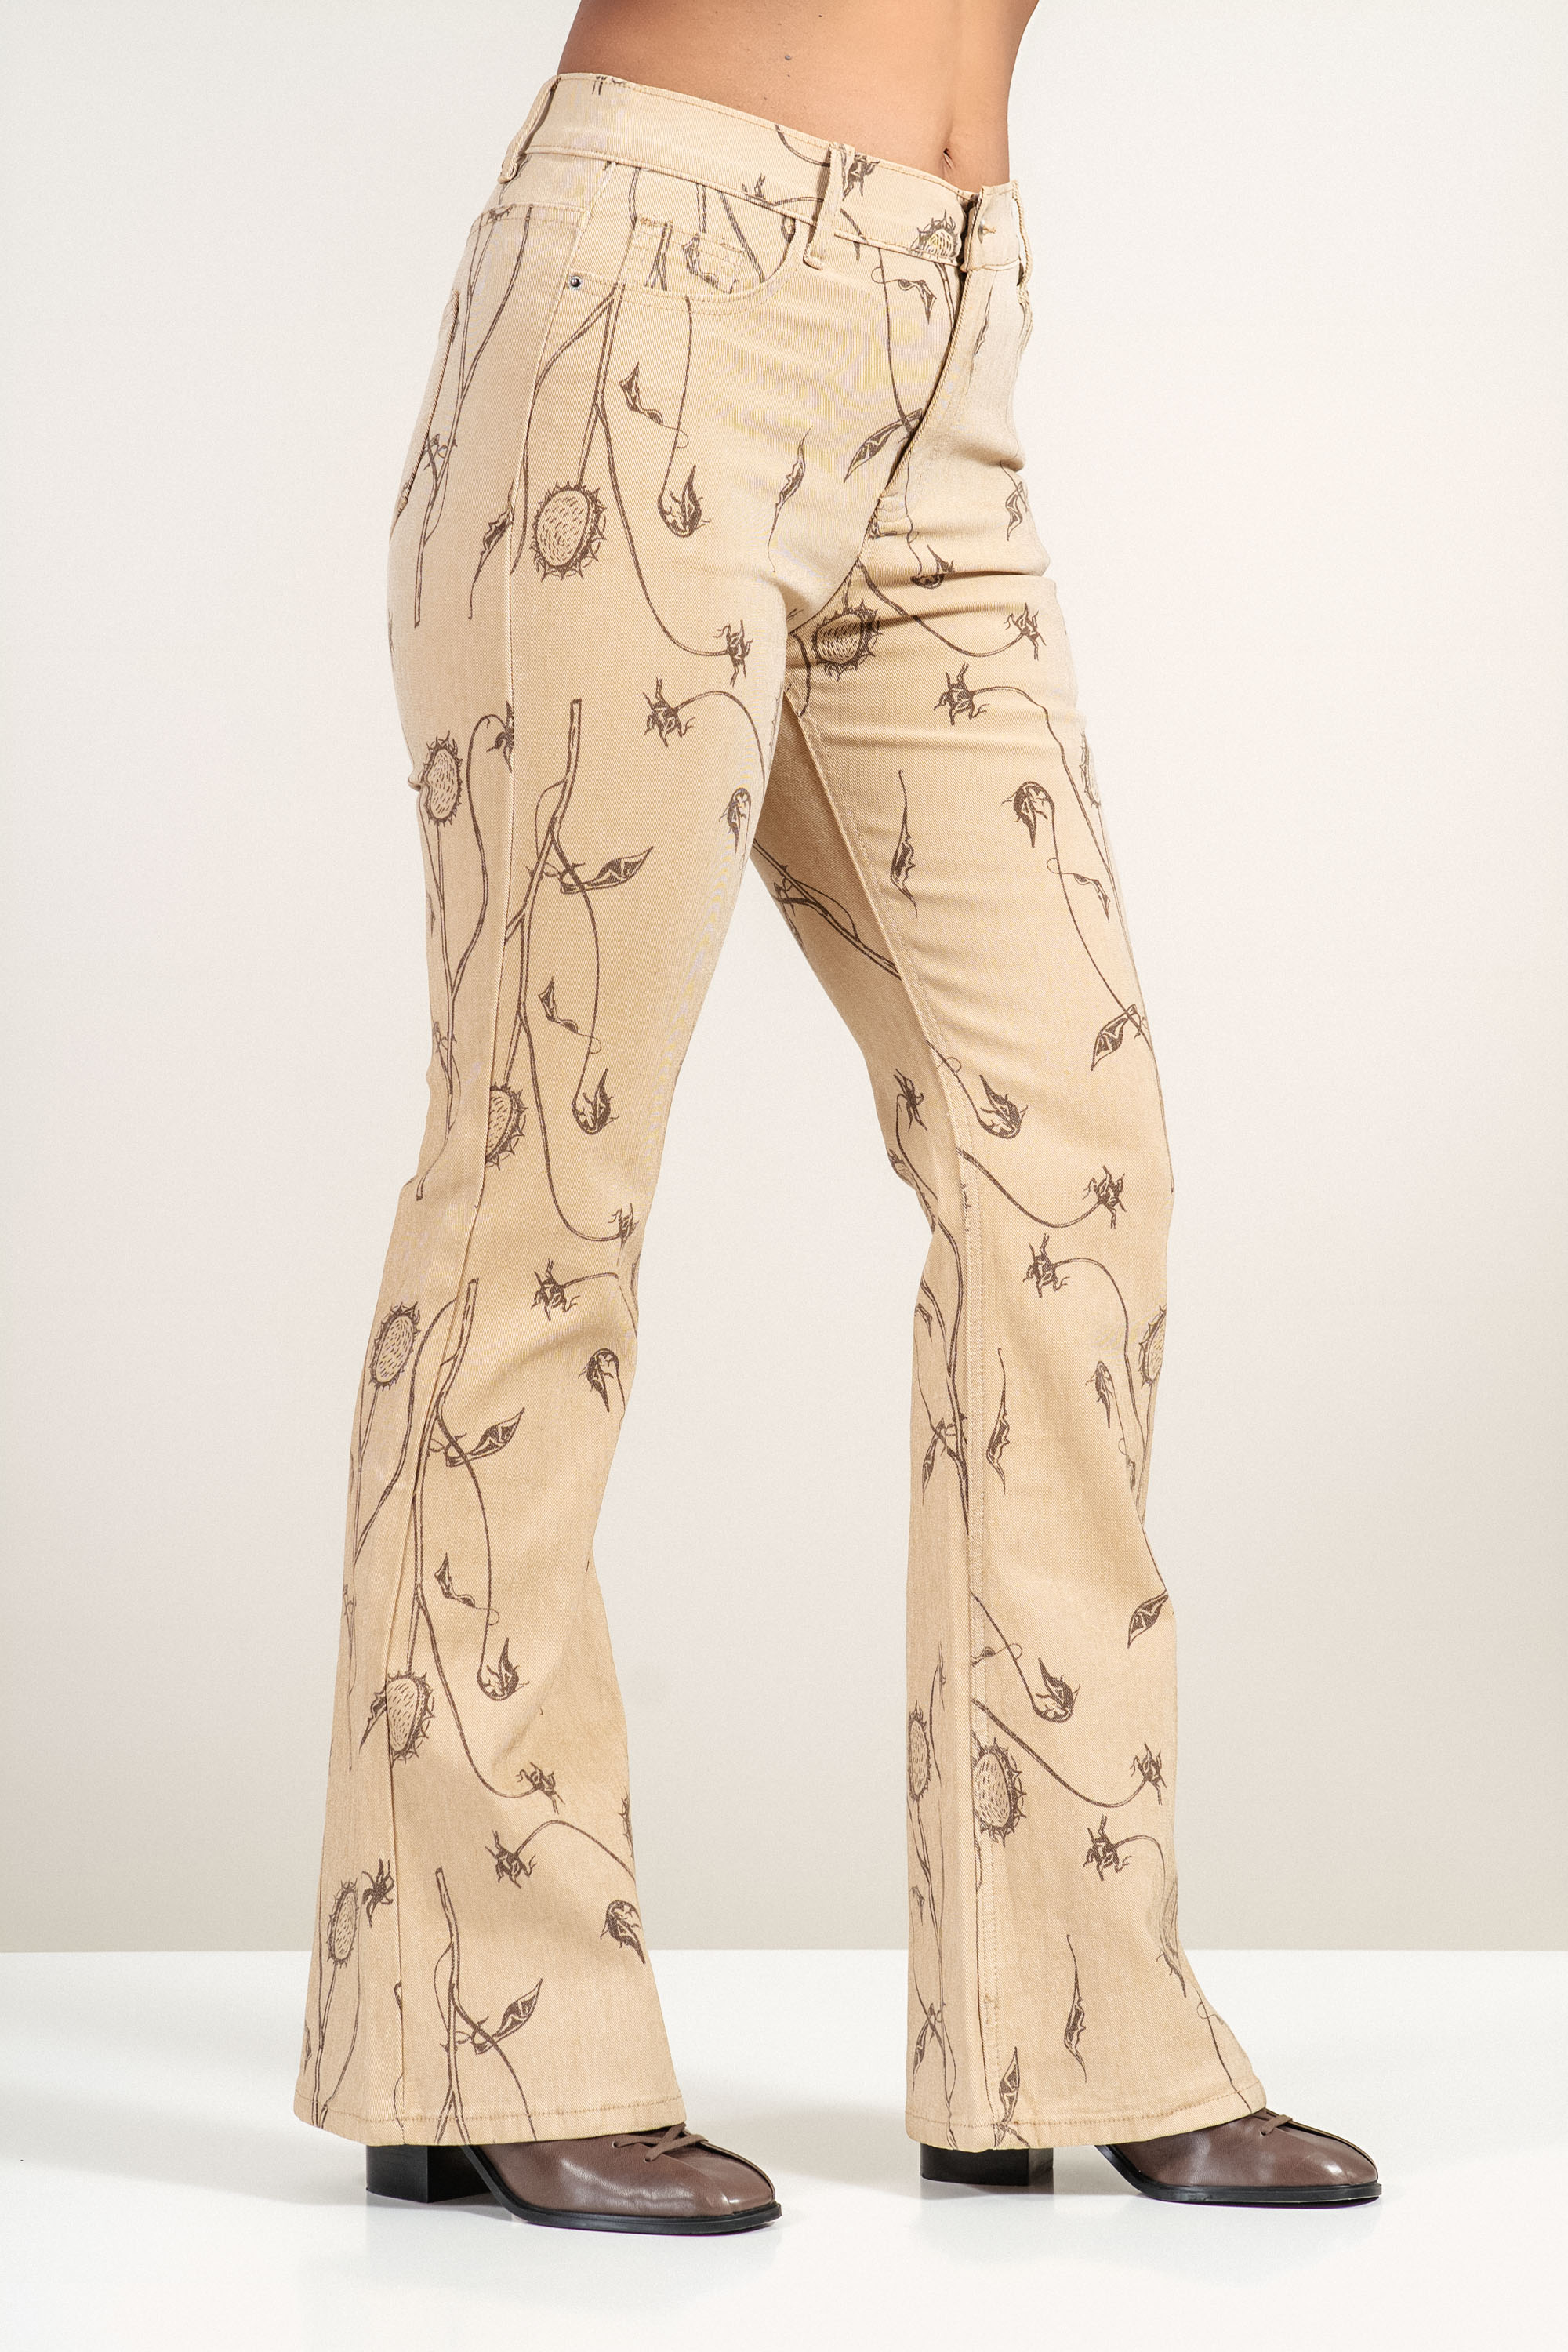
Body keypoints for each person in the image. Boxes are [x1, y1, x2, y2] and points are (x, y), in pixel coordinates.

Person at [296, 0, 1380, 2232]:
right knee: (546, 1175)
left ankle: (1063, 2021)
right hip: (654, 303)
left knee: (1073, 1156)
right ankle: (476, 2015)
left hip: (947, 347)